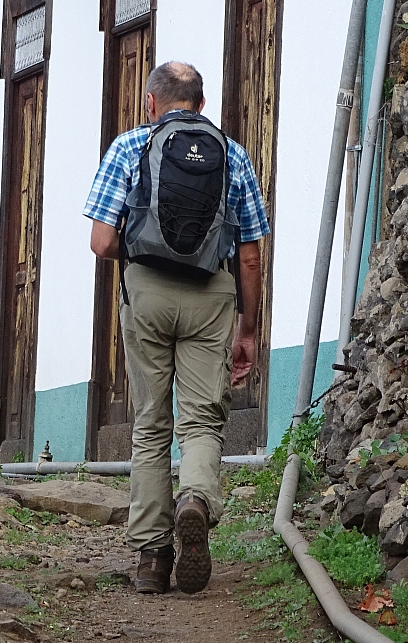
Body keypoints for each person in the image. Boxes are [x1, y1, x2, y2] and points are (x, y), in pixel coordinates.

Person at [83, 61, 269, 595]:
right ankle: (196, 501)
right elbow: (251, 255)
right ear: (202, 106)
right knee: (203, 421)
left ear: (150, 103)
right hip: (212, 290)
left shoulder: (129, 147)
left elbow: (100, 243)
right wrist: (248, 329)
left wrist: (145, 249)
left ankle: (151, 559)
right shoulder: (232, 154)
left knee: (149, 422)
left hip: (146, 291)